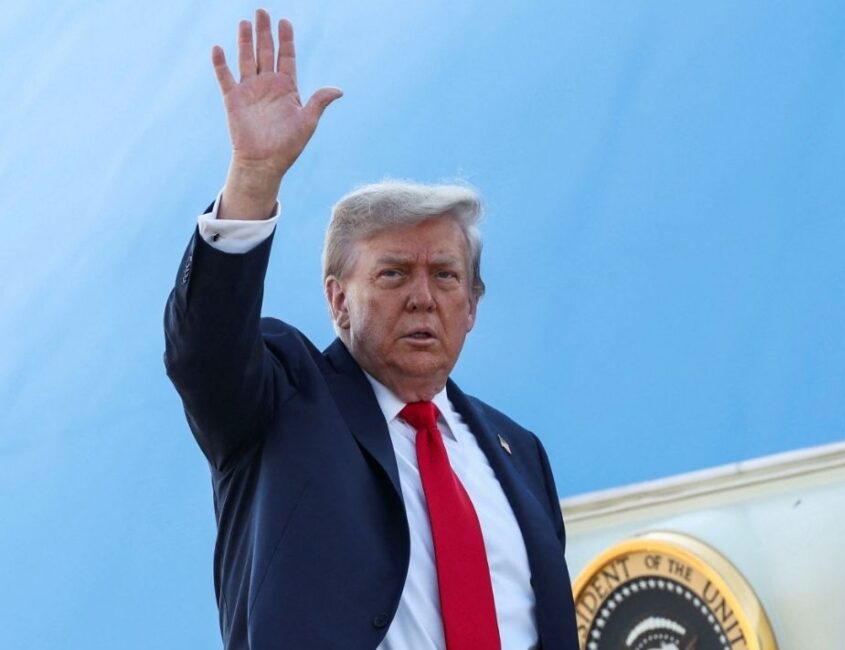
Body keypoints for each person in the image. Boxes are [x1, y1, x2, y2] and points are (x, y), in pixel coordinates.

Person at [163, 9, 576, 650]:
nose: (422, 297)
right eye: (391, 275)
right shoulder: (282, 400)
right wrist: (253, 179)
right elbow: (205, 351)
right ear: (337, 300)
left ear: (471, 305)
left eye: (444, 276)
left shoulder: (520, 452)